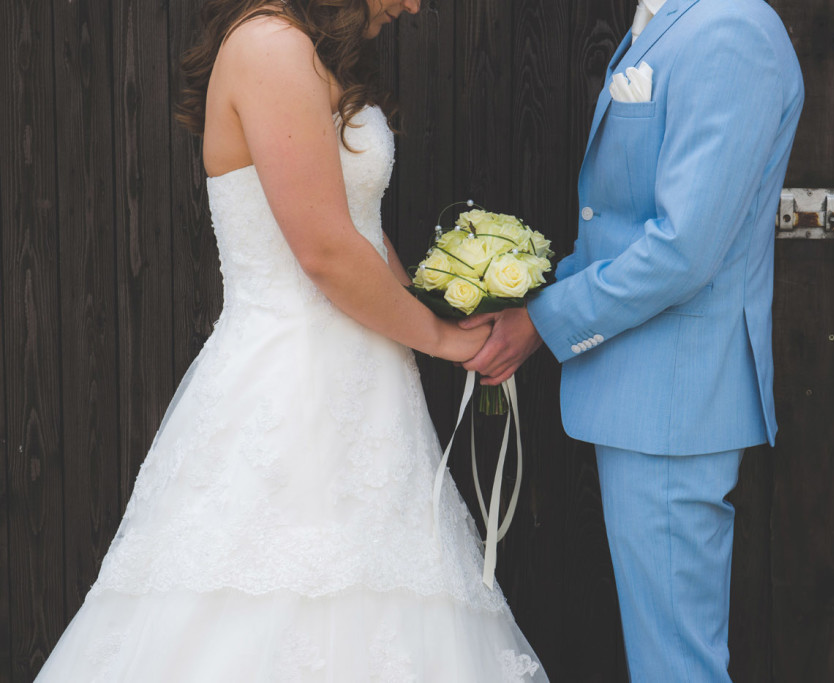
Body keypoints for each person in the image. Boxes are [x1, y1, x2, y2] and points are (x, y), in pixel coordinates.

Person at [34, 1, 546, 680]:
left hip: (369, 392)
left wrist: (443, 311)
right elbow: (327, 252)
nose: (418, 5)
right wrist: (443, 343)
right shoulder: (269, 45)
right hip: (291, 391)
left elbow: (360, 228)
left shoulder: (312, 49)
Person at [462, 0, 804, 680]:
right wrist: (528, 295)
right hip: (651, 396)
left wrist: (543, 321)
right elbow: (621, 221)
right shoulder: (674, 17)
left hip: (675, 400)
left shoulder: (730, 29)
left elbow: (683, 249)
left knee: (677, 664)